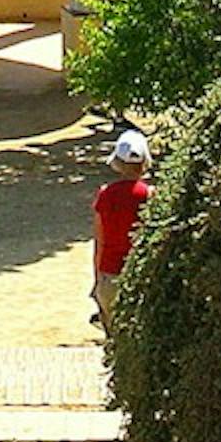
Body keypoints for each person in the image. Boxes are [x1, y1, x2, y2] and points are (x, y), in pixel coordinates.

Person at [90, 129, 153, 327]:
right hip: (139, 275)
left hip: (110, 274)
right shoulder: (149, 195)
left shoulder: (105, 195)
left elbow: (100, 242)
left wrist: (97, 279)